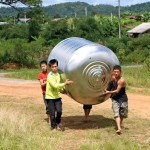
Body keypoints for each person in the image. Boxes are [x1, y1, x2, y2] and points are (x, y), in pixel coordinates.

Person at [45, 59, 73, 131]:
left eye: (56, 66)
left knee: (59, 111)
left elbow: (59, 85)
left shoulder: (58, 74)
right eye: (53, 67)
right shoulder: (50, 76)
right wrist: (65, 83)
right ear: (50, 67)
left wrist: (63, 89)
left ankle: (58, 123)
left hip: (57, 96)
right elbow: (55, 85)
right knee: (52, 113)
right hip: (50, 97)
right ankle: (53, 127)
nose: (54, 68)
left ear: (57, 66)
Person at [104, 65, 128, 135]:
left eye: (118, 72)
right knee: (116, 114)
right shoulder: (113, 78)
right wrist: (106, 89)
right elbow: (109, 83)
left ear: (120, 72)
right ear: (113, 72)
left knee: (122, 114)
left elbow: (117, 91)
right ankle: (119, 128)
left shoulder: (122, 80)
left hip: (123, 99)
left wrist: (108, 92)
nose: (116, 73)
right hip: (115, 99)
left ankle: (119, 125)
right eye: (115, 72)